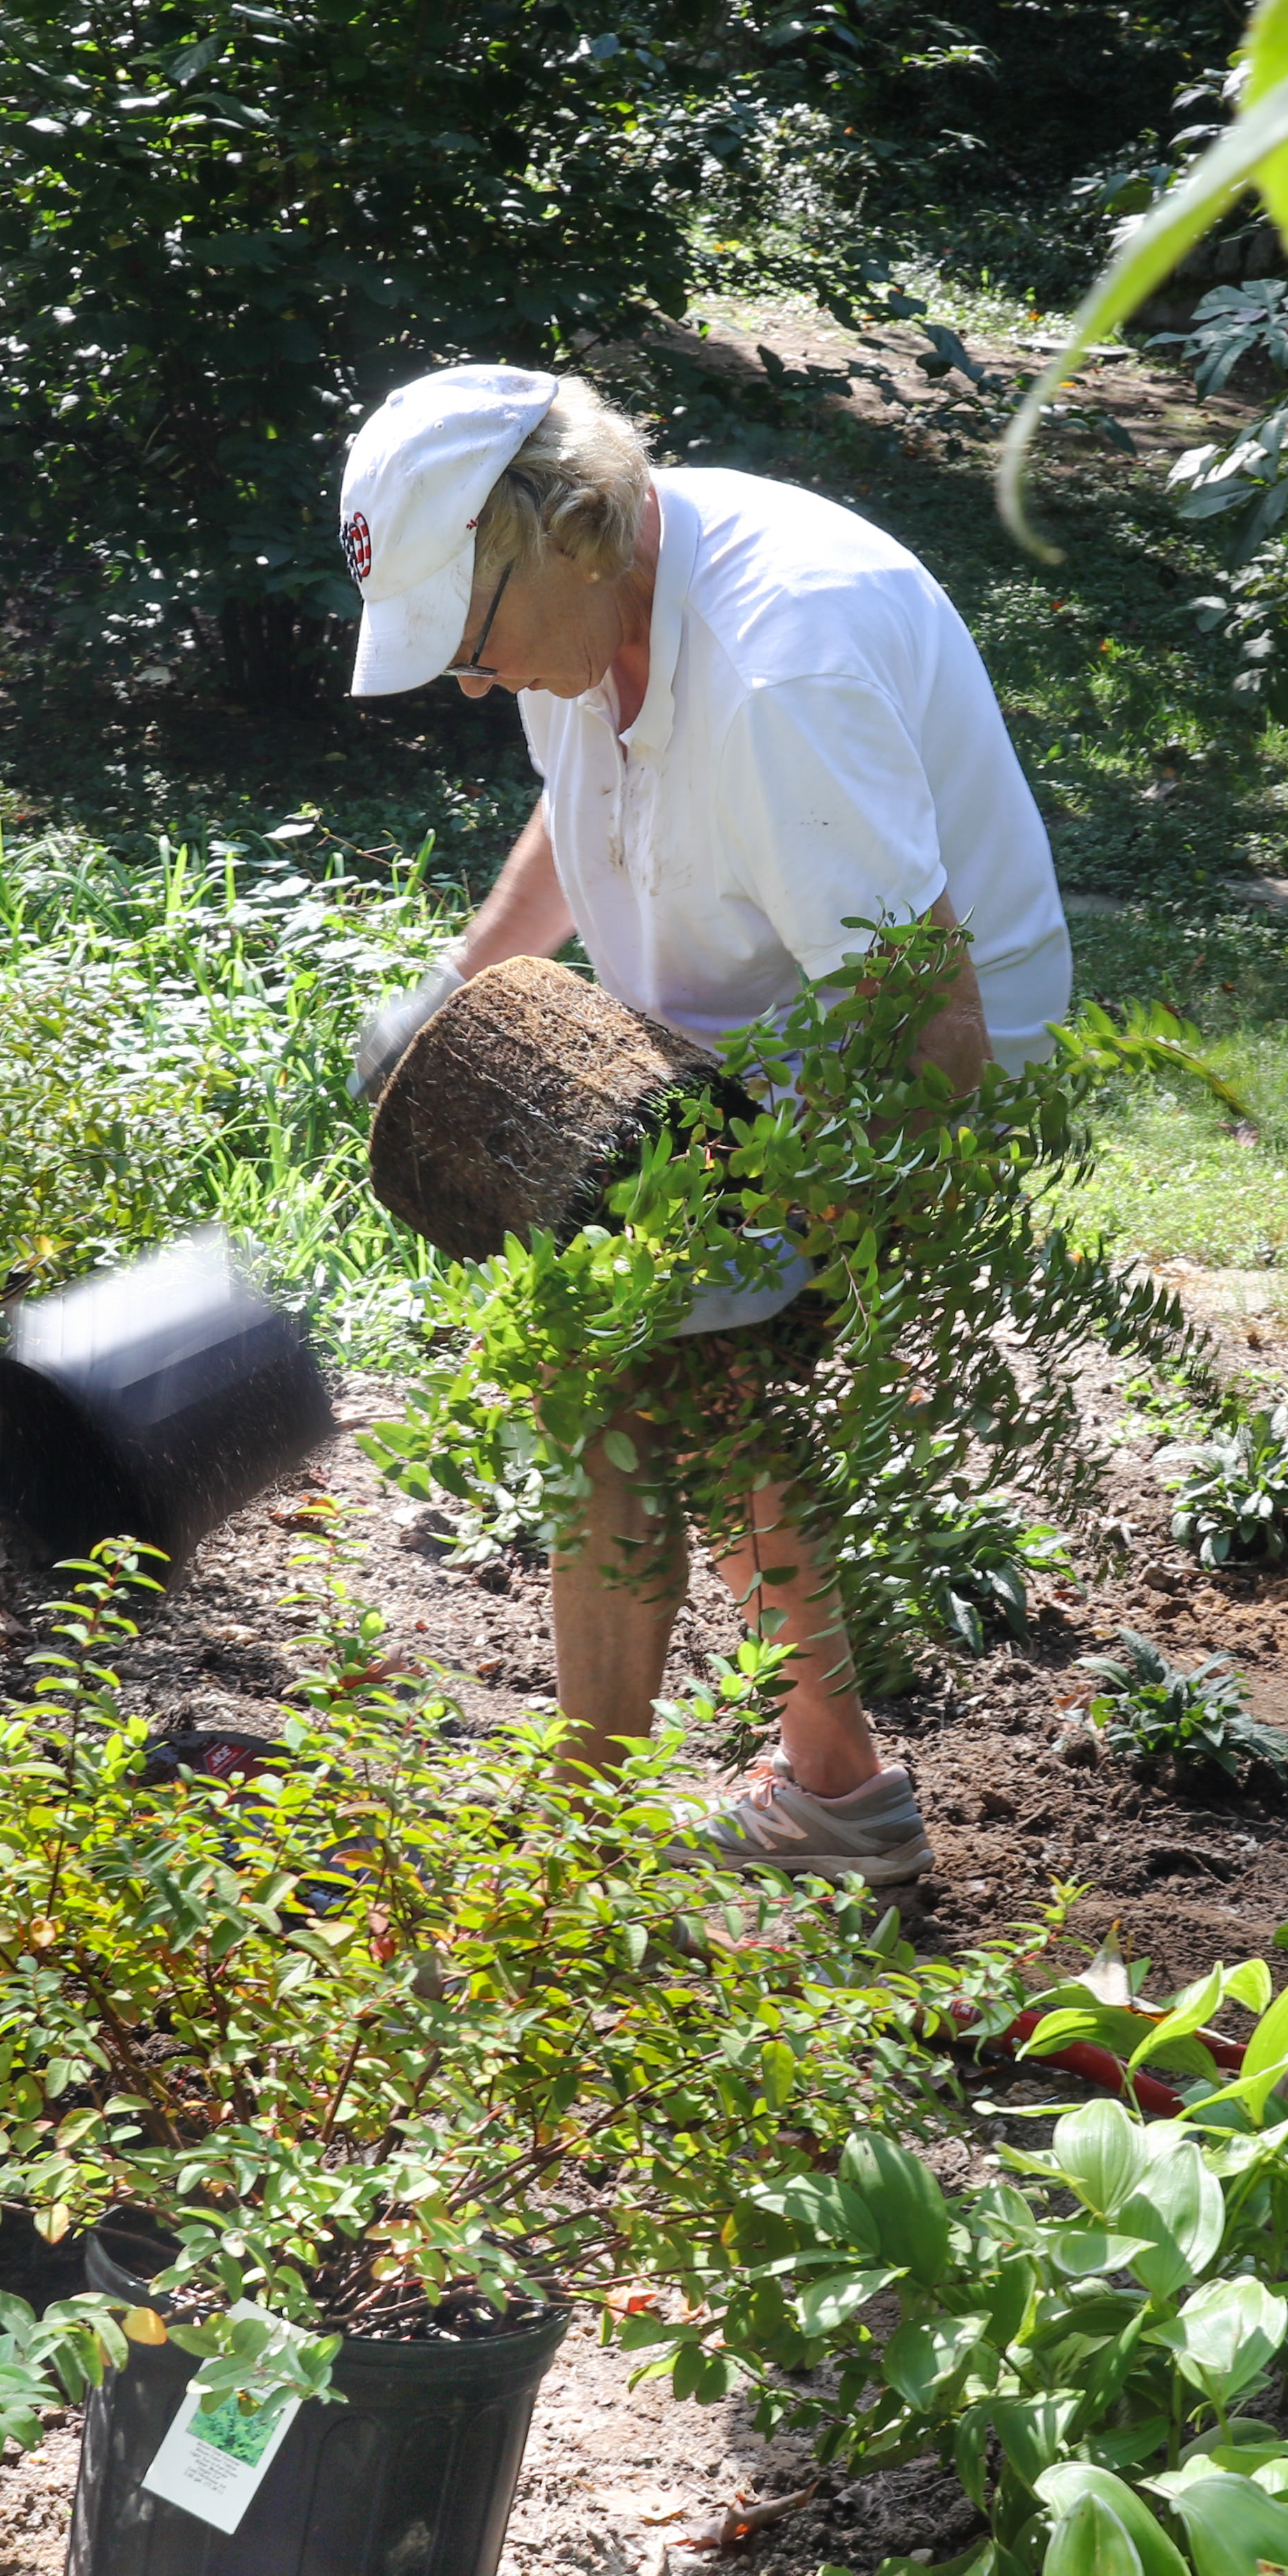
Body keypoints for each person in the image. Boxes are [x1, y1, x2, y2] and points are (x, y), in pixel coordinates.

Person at [336, 366, 1072, 1886]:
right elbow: (580, 792)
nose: (466, 683)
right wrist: (463, 980)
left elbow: (919, 1009)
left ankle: (582, 1837)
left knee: (615, 1379)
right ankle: (833, 1788)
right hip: (735, 1021)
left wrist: (853, 1241)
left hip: (885, 1050)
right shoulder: (599, 607)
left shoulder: (773, 672)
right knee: (701, 1399)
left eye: (466, 639)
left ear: (571, 531)